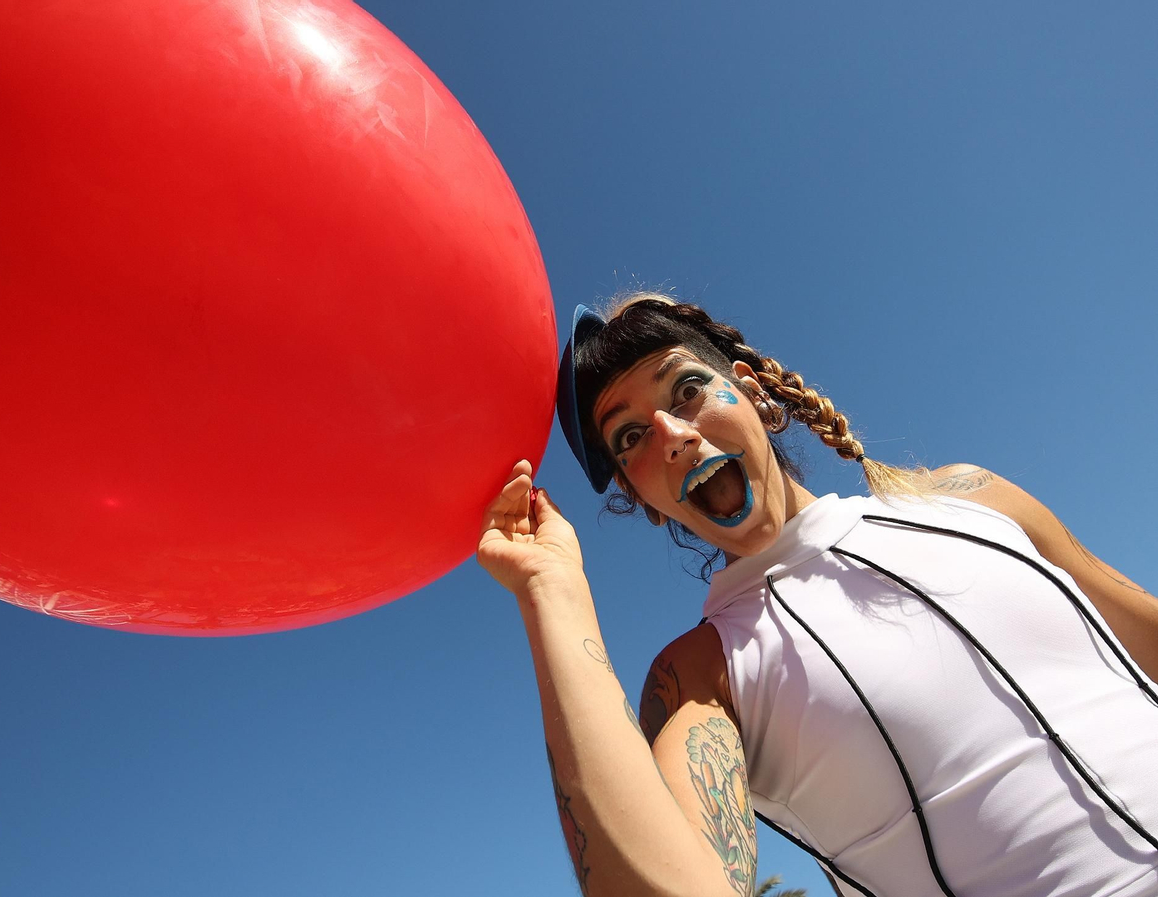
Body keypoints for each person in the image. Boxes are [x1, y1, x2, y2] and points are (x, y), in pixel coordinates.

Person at [476, 293, 1158, 897]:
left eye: (685, 389)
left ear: (755, 393)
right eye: (631, 437)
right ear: (643, 498)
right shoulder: (699, 674)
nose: (674, 436)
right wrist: (551, 591)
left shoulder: (971, 495)